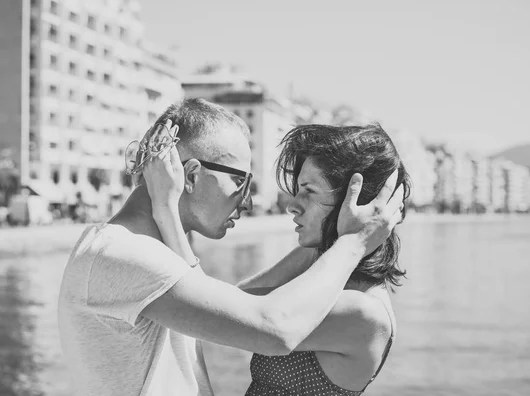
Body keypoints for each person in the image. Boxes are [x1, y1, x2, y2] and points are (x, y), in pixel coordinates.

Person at [57, 98, 405, 396]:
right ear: (191, 176)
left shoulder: (135, 255)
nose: (249, 201)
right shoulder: (125, 255)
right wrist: (355, 239)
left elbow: (231, 307)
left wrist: (167, 212)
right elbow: (265, 323)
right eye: (240, 180)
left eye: (308, 191)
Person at [236, 123, 411, 395]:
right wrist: (337, 237)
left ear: (355, 203)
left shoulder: (362, 312)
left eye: (309, 191)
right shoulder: (329, 285)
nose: (292, 204)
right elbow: (236, 298)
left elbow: (221, 315)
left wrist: (167, 212)